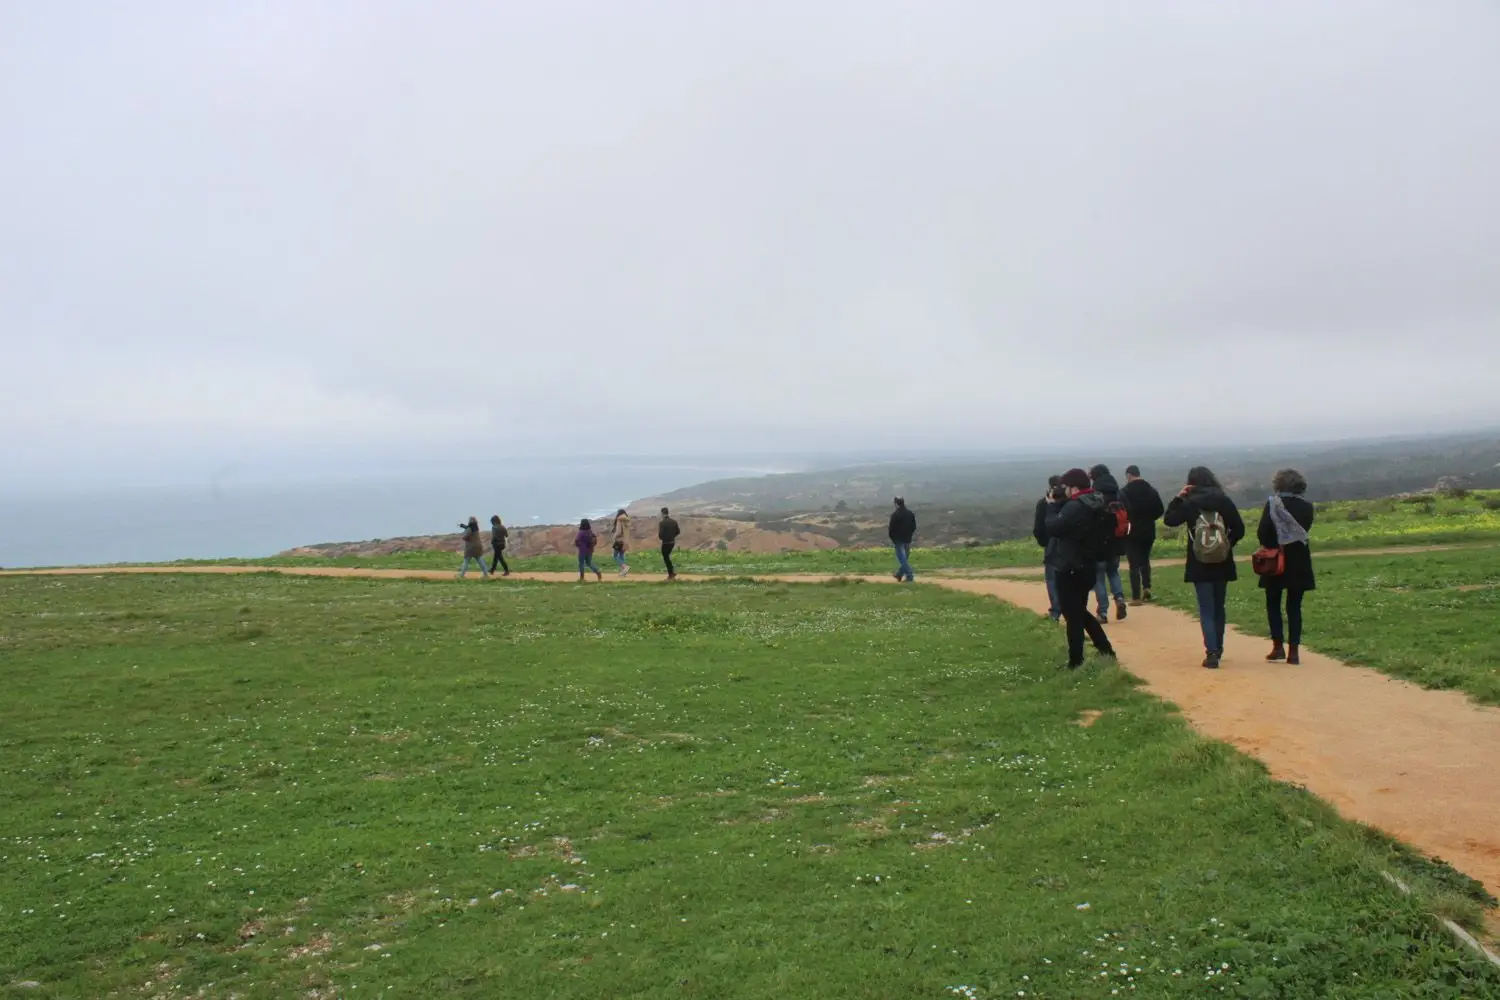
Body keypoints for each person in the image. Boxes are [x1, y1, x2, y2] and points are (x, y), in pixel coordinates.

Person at [1163, 466, 1246, 668]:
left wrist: (1178, 497)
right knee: (1219, 607)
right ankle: (1219, 647)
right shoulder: (1223, 501)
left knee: (1206, 609)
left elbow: (1169, 520)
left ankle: (1211, 652)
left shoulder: (1190, 503)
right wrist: (1225, 546)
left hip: (1198, 561)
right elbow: (1240, 529)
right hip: (1222, 562)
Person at [1043, 468, 1118, 668]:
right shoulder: (1096, 501)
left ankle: (1077, 660)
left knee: (1073, 614)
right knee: (1077, 611)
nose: (1064, 490)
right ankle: (1104, 650)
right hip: (1089, 564)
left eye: (1066, 487)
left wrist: (1051, 507)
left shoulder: (1075, 507)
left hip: (1070, 565)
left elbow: (1053, 528)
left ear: (1074, 487)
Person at [1257, 468, 1316, 665]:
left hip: (1276, 560)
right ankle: (1294, 651)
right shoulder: (1307, 507)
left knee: (1273, 603)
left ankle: (1277, 647)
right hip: (1299, 560)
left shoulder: (1272, 504)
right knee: (1294, 607)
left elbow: (1263, 533)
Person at [1120, 465, 1165, 604]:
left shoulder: (1124, 492)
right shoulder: (1151, 490)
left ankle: (1135, 596)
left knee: (1133, 563)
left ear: (1129, 475)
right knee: (1145, 560)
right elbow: (1160, 510)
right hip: (1148, 529)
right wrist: (1149, 519)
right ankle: (1147, 587)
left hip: (1131, 530)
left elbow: (1121, 512)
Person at [1089, 464, 1128, 621]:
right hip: (1116, 541)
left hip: (1098, 542)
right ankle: (1119, 598)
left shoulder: (1095, 495)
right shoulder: (1118, 493)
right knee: (1113, 572)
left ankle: (1103, 612)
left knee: (1099, 577)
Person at [1033, 475, 1066, 620]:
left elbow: (1038, 527)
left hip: (1051, 546)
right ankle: (1071, 609)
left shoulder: (1043, 504)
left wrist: (1044, 541)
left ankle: (1055, 611)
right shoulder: (1070, 502)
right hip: (1068, 545)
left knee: (1052, 579)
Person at [889, 496, 916, 583]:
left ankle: (909, 576)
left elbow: (891, 529)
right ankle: (899, 575)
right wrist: (909, 535)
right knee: (904, 559)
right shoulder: (910, 513)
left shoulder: (895, 515)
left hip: (898, 540)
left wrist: (893, 539)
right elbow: (913, 527)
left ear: (896, 504)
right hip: (907, 539)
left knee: (902, 559)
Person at [658, 506, 681, 580]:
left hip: (665, 543)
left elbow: (660, 535)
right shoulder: (674, 522)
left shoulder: (662, 523)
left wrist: (663, 538)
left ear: (662, 513)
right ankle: (671, 572)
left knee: (666, 558)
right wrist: (672, 536)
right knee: (667, 557)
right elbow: (678, 531)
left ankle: (671, 574)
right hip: (672, 542)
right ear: (667, 512)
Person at [611, 508, 631, 577]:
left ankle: (625, 567)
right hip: (625, 541)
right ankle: (623, 572)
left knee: (615, 556)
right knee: (621, 556)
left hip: (619, 540)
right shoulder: (627, 521)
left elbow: (619, 532)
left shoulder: (619, 520)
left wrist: (614, 536)